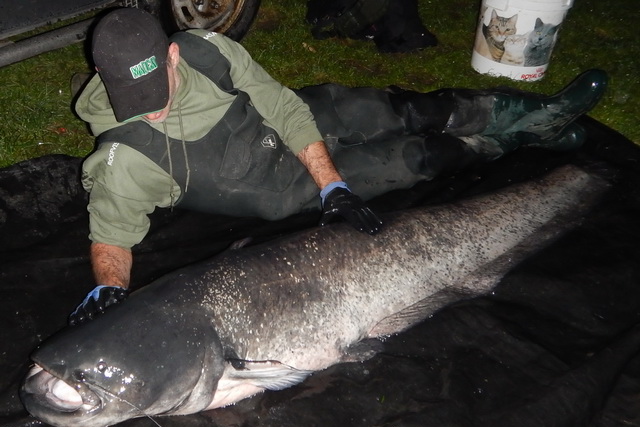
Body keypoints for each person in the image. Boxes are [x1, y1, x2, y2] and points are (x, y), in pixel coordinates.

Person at [69, 8, 607, 324]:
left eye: (154, 85)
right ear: (100, 71)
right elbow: (112, 235)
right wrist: (110, 288)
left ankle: (542, 111)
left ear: (172, 56)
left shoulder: (206, 49)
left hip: (295, 118)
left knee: (415, 109)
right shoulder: (124, 156)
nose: (149, 104)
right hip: (276, 185)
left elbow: (279, 104)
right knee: (424, 157)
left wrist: (336, 186)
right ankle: (525, 138)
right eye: (131, 94)